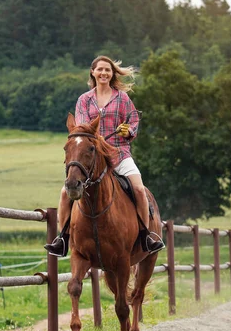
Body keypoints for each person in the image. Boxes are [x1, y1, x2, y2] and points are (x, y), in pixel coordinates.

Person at [45, 55, 165, 257]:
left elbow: (133, 120)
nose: (104, 73)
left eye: (107, 70)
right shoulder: (84, 100)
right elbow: (83, 130)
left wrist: (128, 131)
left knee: (138, 188)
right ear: (93, 72)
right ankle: (63, 238)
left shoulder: (122, 99)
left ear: (112, 74)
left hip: (120, 154)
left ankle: (147, 235)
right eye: (100, 69)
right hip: (93, 159)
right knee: (66, 192)